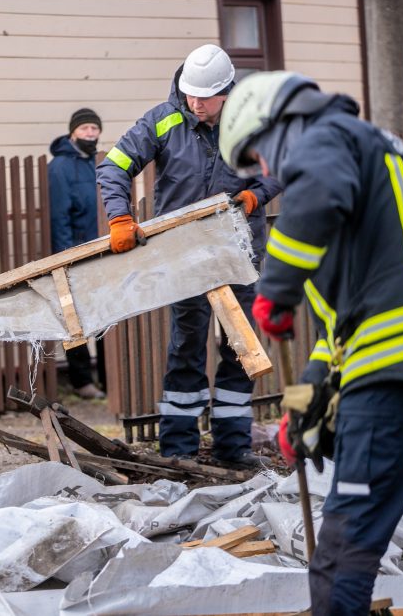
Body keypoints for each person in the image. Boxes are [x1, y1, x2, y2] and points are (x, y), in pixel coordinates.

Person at [220, 71, 403, 615]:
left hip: (399, 374)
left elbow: (314, 195)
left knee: (343, 550)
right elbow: (335, 345)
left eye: (258, 154)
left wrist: (275, 289)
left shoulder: (327, 137)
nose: (268, 172)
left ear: (276, 124)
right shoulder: (369, 187)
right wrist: (297, 418)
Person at [96, 44, 281, 469]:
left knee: (239, 347)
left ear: (226, 91)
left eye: (206, 96)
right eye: (191, 94)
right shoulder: (164, 120)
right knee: (186, 346)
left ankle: (233, 449)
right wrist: (121, 217)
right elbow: (114, 167)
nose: (197, 103)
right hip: (183, 254)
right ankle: (178, 450)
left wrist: (258, 193)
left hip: (239, 253)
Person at [48, 108, 107, 400]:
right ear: (73, 132)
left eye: (94, 129)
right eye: (85, 129)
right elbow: (59, 216)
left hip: (103, 251)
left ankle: (108, 380)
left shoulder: (96, 162)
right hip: (75, 254)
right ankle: (81, 380)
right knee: (76, 319)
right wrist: (65, 257)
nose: (90, 134)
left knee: (107, 315)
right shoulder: (60, 166)